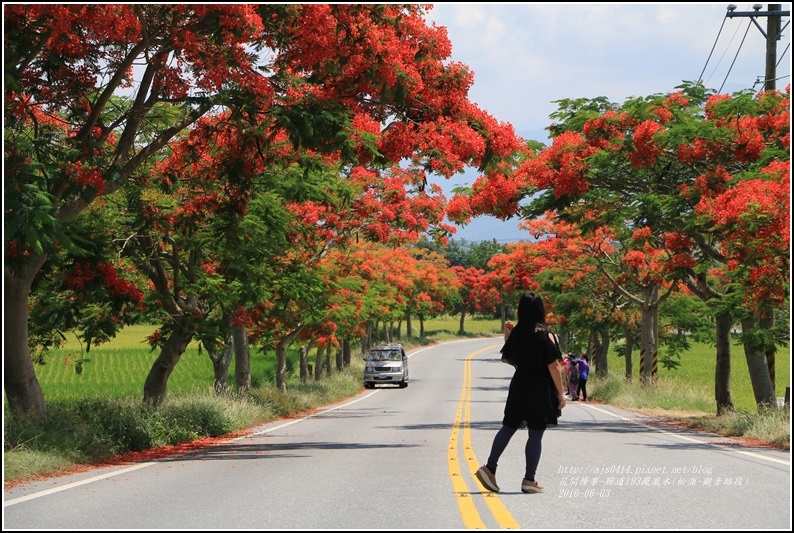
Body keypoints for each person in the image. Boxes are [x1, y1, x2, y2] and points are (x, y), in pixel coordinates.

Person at [475, 291, 566, 495]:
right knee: (535, 433)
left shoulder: (518, 332)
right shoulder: (545, 334)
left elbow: (513, 358)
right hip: (540, 389)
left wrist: (508, 335)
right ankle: (529, 480)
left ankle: (490, 468)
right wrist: (561, 393)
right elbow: (554, 366)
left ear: (521, 310)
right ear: (540, 310)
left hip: (519, 385)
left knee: (508, 427)